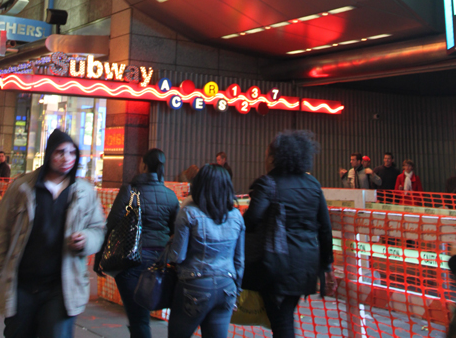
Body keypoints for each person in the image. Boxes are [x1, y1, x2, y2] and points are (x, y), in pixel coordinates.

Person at [0, 128, 105, 338]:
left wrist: (85, 240)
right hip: (21, 284)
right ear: (49, 154)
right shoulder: (22, 188)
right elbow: (0, 230)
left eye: (72, 153)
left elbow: (98, 229)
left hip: (62, 288)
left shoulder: (84, 191)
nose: (66, 158)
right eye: (60, 152)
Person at [244, 131, 335, 338]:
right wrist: (327, 264)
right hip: (306, 267)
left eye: (267, 155)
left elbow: (250, 221)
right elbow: (325, 228)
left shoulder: (268, 183)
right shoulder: (313, 185)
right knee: (283, 318)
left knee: (282, 323)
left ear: (275, 158)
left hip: (276, 265)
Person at [105, 148, 179, 338]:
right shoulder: (171, 196)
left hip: (131, 261)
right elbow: (176, 231)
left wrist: (101, 257)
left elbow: (111, 224)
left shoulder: (129, 191)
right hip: (161, 263)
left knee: (139, 320)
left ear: (143, 165)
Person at [168, 164, 244, 338]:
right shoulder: (236, 216)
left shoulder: (188, 213)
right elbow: (239, 260)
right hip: (227, 287)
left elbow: (178, 256)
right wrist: (236, 290)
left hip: (194, 285)